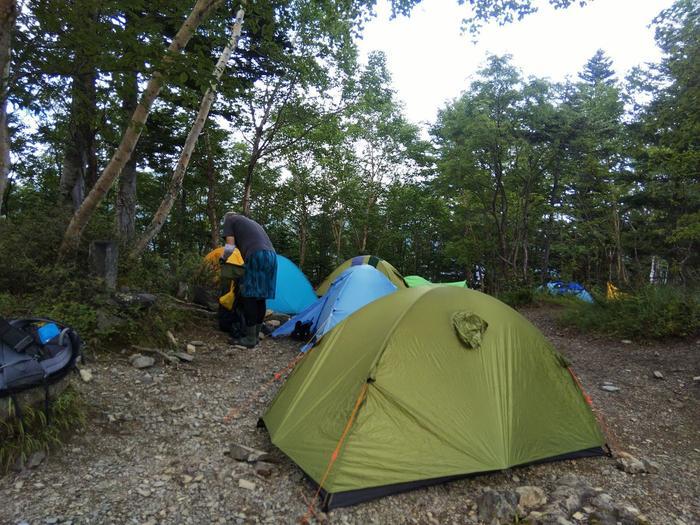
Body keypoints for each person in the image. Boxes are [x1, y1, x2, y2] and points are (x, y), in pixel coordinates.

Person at [221, 212, 277, 348]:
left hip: (256, 254)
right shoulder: (252, 223)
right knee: (260, 296)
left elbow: (229, 246)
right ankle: (256, 334)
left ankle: (250, 338)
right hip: (272, 256)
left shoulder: (230, 220)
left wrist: (223, 258)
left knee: (249, 295)